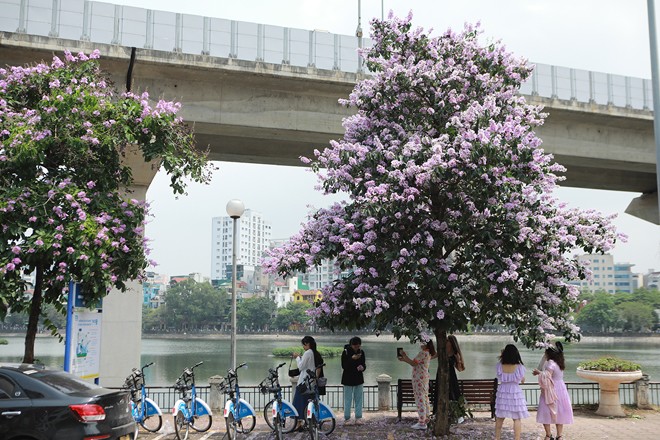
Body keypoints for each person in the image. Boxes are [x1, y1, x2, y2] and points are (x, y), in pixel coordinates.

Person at [533, 342, 573, 440]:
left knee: (546, 410)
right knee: (560, 411)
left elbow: (547, 376)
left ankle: (548, 435)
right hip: (561, 388)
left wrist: (538, 372)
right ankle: (559, 435)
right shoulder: (560, 362)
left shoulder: (550, 362)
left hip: (551, 388)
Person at [398, 339, 436, 430]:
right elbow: (415, 363)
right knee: (425, 397)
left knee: (420, 398)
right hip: (424, 377)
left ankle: (421, 422)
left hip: (419, 378)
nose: (420, 344)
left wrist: (404, 356)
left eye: (421, 342)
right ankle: (426, 418)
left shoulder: (423, 353)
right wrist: (404, 359)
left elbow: (413, 363)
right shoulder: (429, 353)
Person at [495, 344, 530, 440]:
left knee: (500, 417)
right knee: (517, 418)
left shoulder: (499, 366)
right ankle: (517, 438)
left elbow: (499, 376)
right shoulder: (519, 367)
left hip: (503, 391)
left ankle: (497, 438)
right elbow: (522, 380)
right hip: (514, 391)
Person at [292, 335, 323, 430]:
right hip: (312, 383)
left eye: (304, 345)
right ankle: (312, 422)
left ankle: (299, 424)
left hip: (304, 383)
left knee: (298, 403)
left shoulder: (308, 353)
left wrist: (297, 357)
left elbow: (301, 367)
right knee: (311, 403)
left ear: (308, 344)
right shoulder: (315, 353)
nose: (303, 347)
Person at [341, 336, 366, 425]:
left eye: (358, 346)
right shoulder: (346, 352)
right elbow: (344, 366)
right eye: (355, 346)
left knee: (359, 399)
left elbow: (364, 364)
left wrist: (362, 367)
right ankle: (347, 418)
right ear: (351, 345)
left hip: (358, 378)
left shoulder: (361, 352)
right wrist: (352, 359)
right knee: (348, 399)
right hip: (348, 378)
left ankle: (358, 417)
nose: (357, 348)